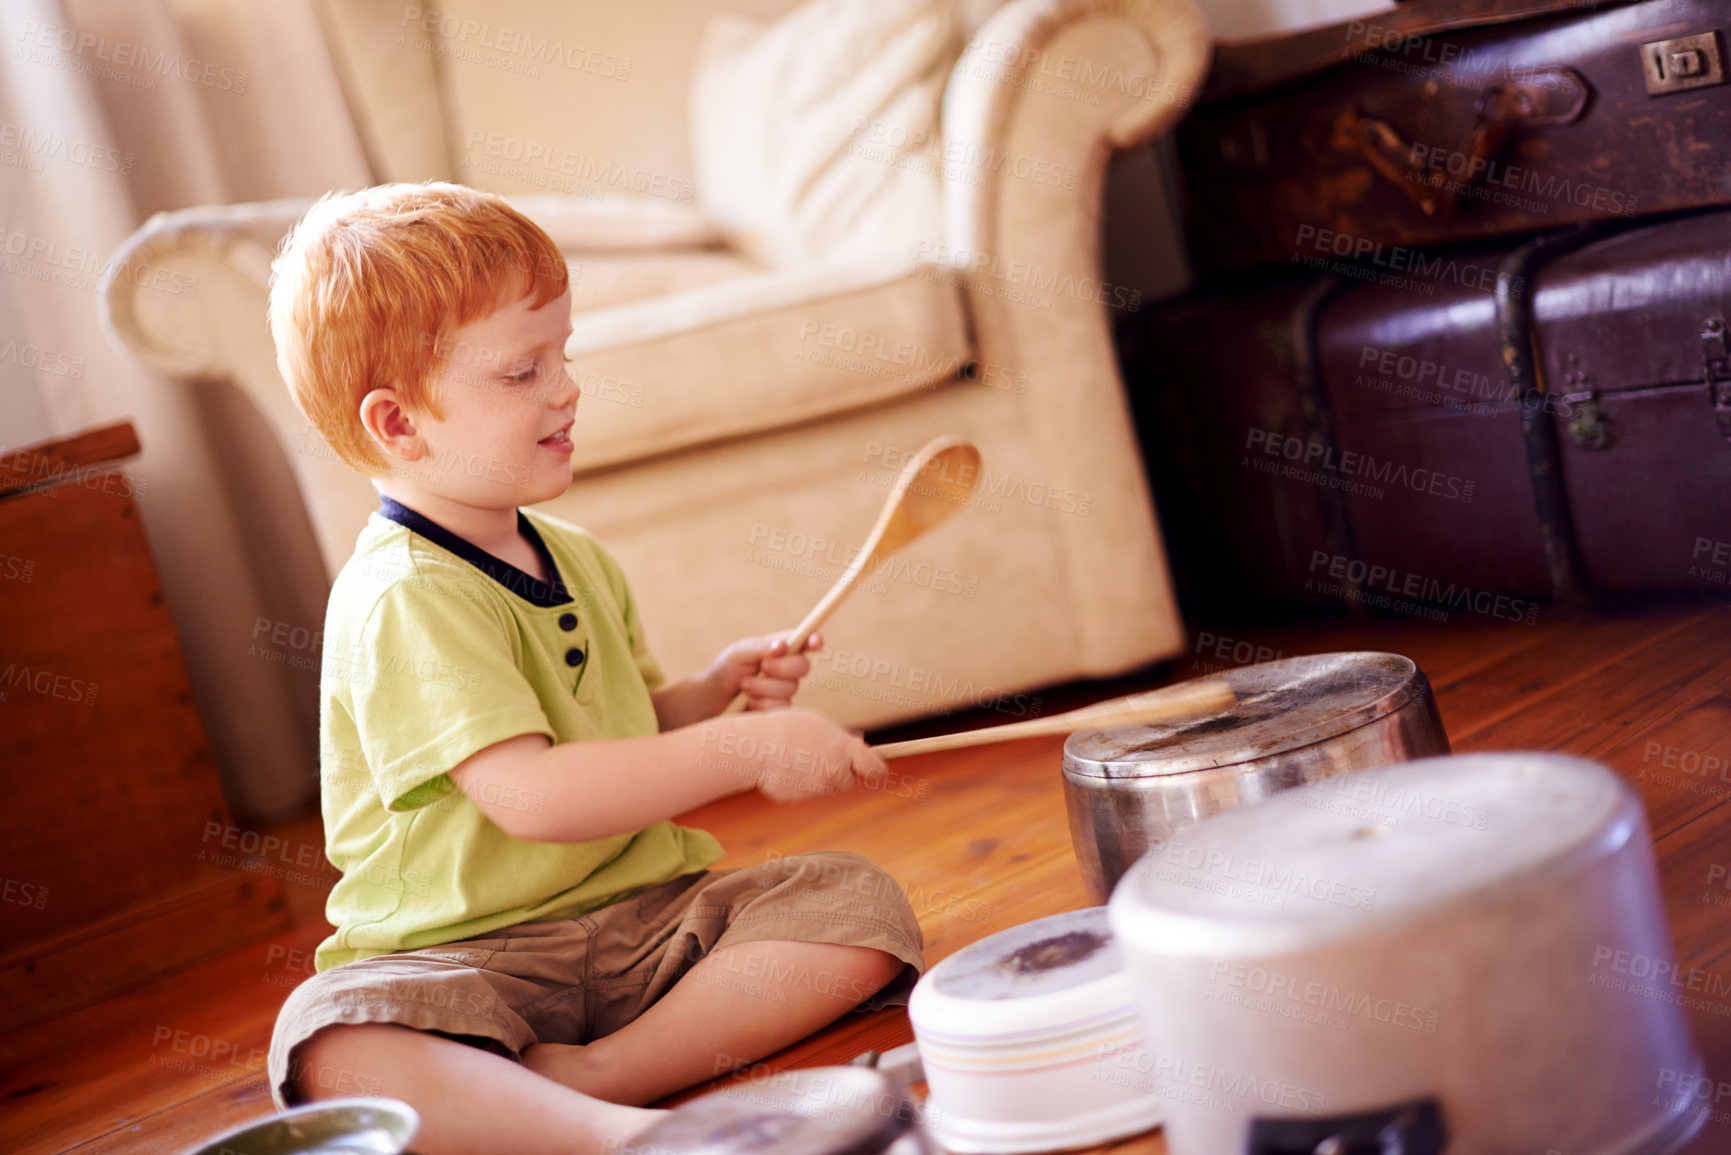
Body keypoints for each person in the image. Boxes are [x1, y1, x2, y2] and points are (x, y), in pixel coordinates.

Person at [263, 182, 924, 1154]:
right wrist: (744, 747)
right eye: (522, 371)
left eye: (560, 357)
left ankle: (600, 1077)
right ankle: (608, 1136)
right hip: (466, 957)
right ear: (400, 426)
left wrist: (709, 694)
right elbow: (532, 796)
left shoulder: (572, 554)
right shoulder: (405, 594)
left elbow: (620, 733)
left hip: (640, 916)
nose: (565, 388)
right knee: (336, 1044)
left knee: (854, 904)